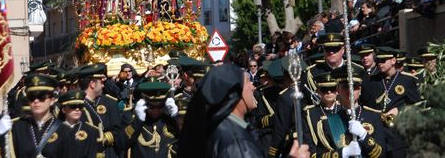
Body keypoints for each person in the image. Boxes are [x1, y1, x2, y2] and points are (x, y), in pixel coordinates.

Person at [178, 63, 309, 158]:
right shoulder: (237, 145)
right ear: (234, 94)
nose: (253, 86)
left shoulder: (224, 128)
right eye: (247, 82)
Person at [0, 73, 72, 158]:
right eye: (32, 97)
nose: (36, 101)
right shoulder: (16, 127)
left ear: (52, 100)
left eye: (41, 97)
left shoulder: (64, 130)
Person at [363, 47, 420, 158]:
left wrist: (399, 110)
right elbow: (365, 105)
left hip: (398, 135)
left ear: (393, 61)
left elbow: (416, 105)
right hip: (377, 135)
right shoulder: (371, 81)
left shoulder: (407, 80)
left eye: (383, 61)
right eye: (378, 61)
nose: (380, 64)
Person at [122, 80, 180, 157]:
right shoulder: (131, 117)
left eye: (160, 107)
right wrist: (138, 121)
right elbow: (121, 144)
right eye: (151, 107)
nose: (156, 111)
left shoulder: (171, 119)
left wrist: (177, 117)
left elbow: (187, 141)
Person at [78, 63, 122, 158]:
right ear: (92, 84)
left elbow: (117, 130)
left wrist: (104, 138)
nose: (103, 86)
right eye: (101, 82)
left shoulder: (109, 102)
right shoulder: (76, 106)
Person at [58, 90, 100, 158]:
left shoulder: (91, 131)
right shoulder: (55, 130)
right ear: (63, 110)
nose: (77, 109)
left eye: (80, 106)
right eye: (73, 106)